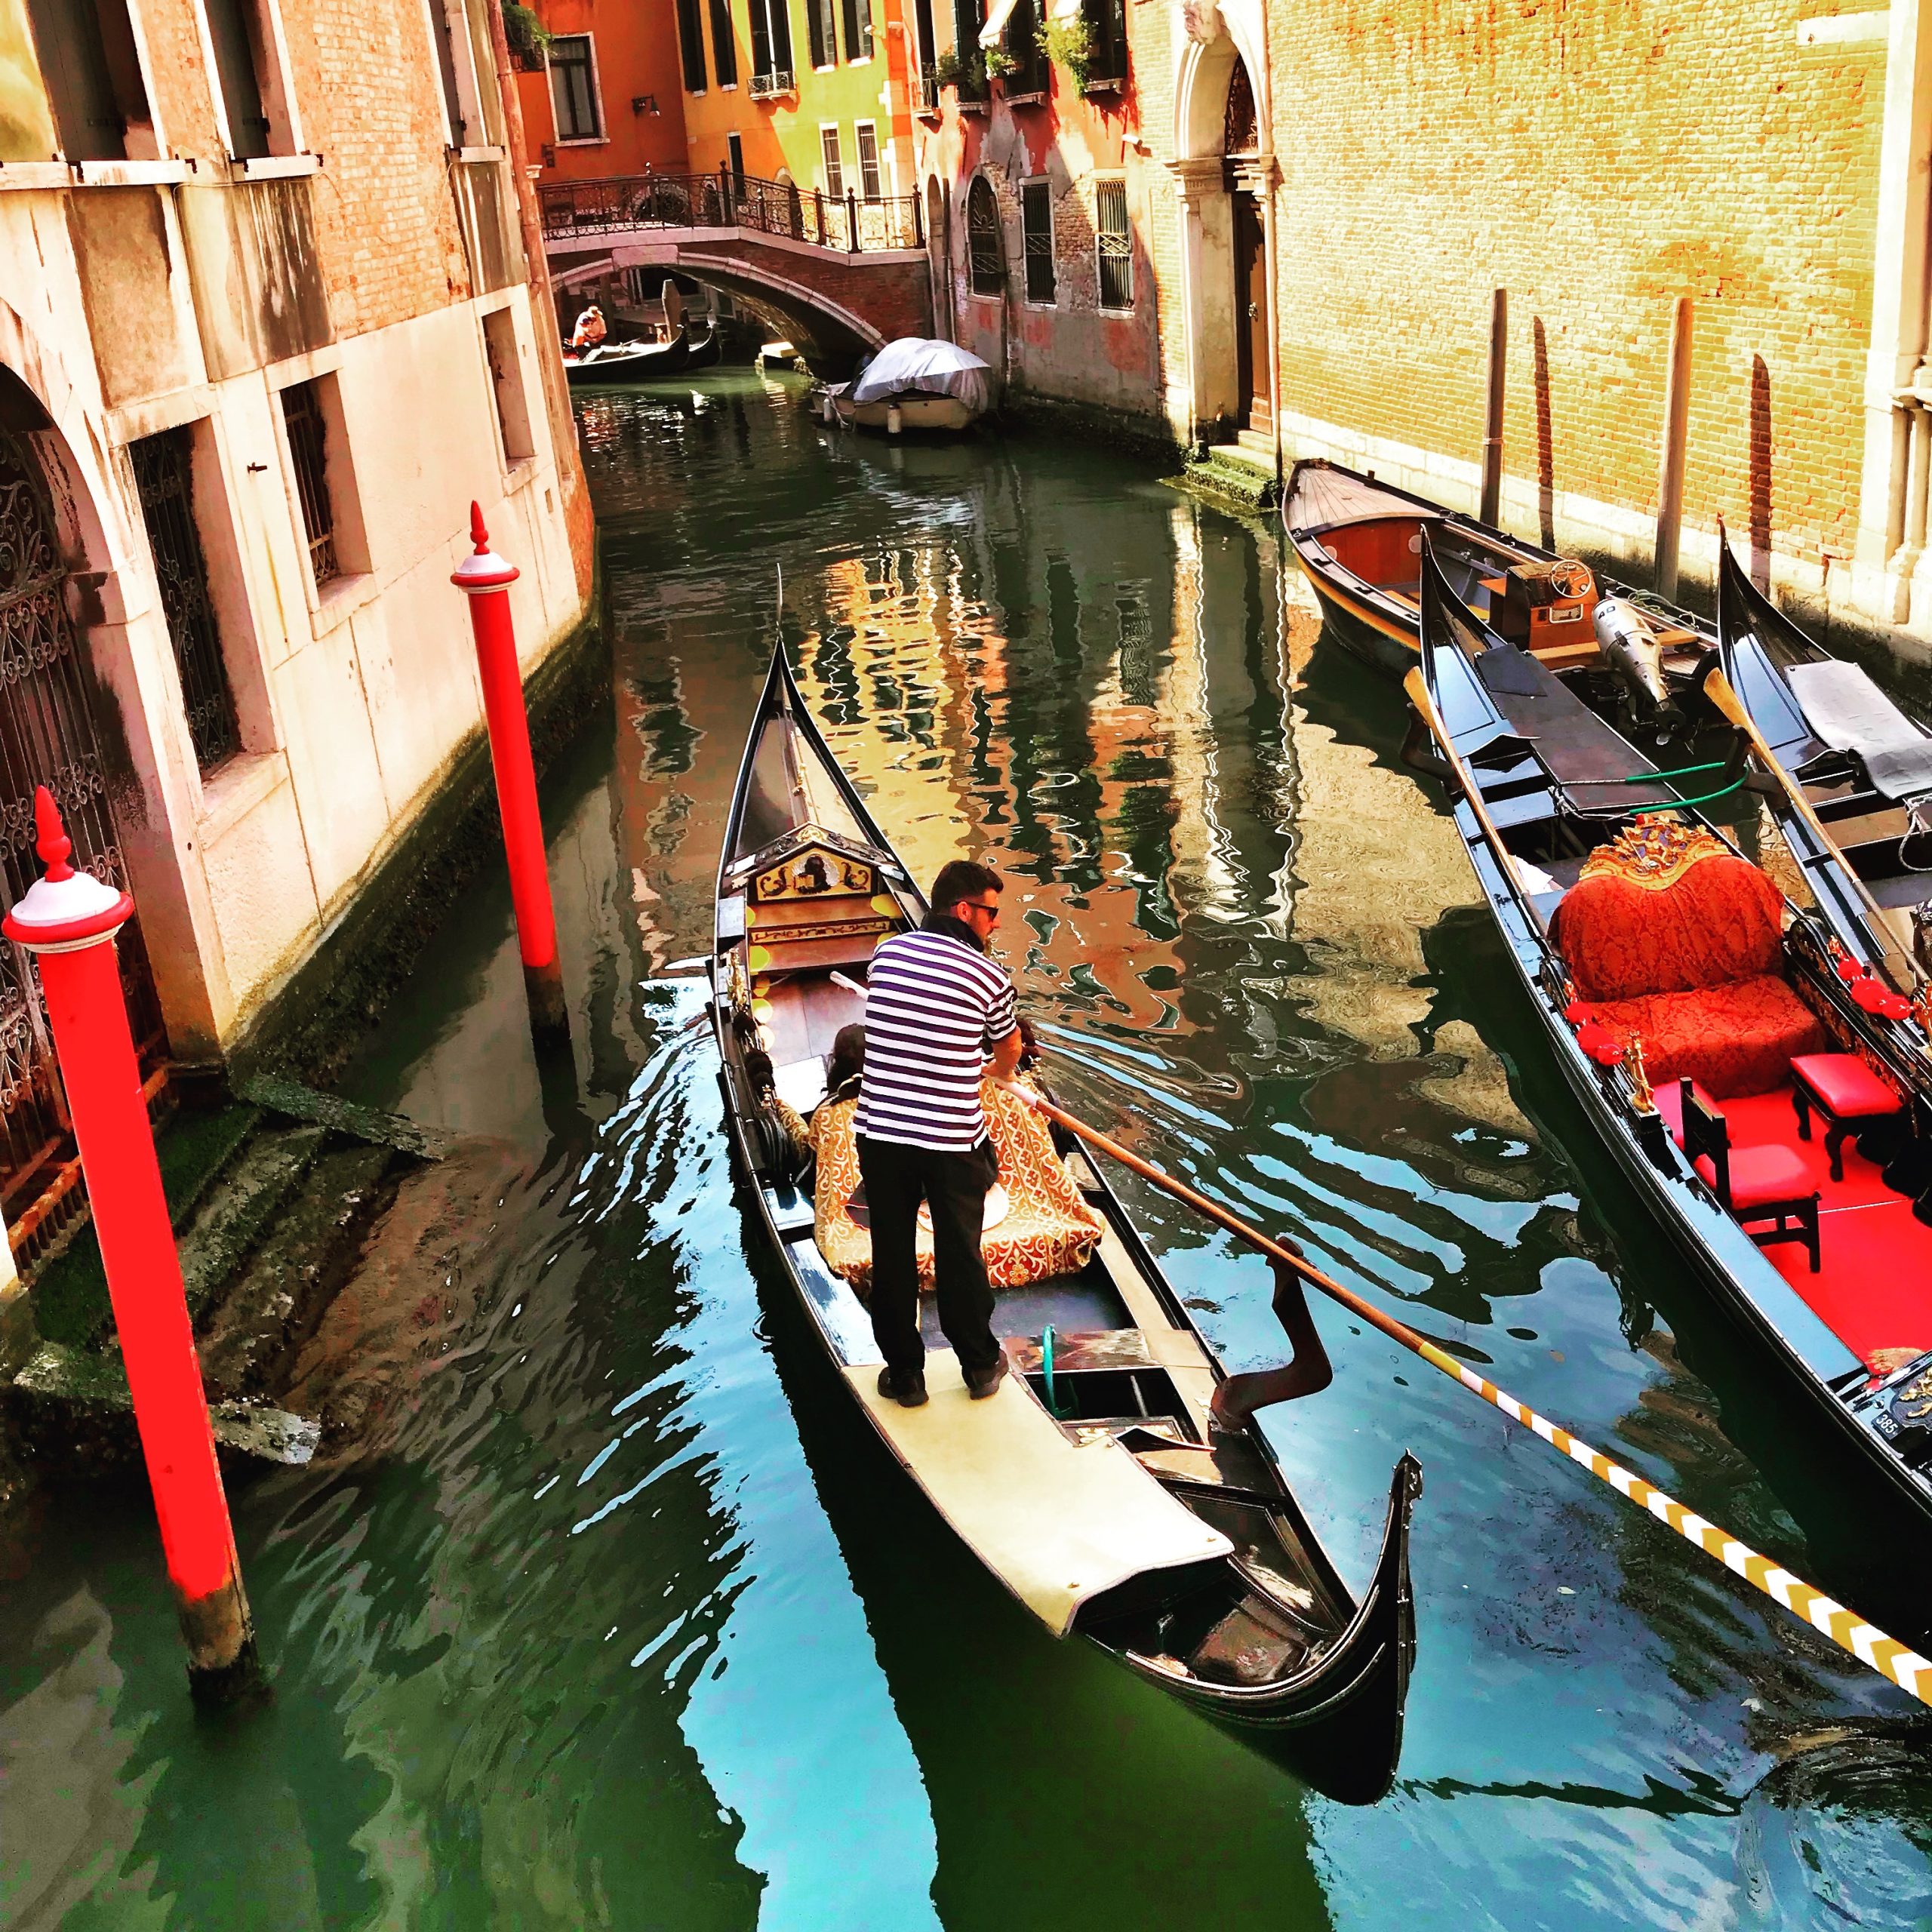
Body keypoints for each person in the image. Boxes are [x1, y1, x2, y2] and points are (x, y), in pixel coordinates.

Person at [856, 859, 1022, 1407]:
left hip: (881, 1135)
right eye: (992, 913)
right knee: (960, 1251)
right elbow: (1009, 1051)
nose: (995, 924)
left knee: (893, 1252)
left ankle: (905, 1376)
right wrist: (992, 1074)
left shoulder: (886, 953)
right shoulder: (990, 977)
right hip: (952, 1141)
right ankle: (979, 1366)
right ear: (965, 909)